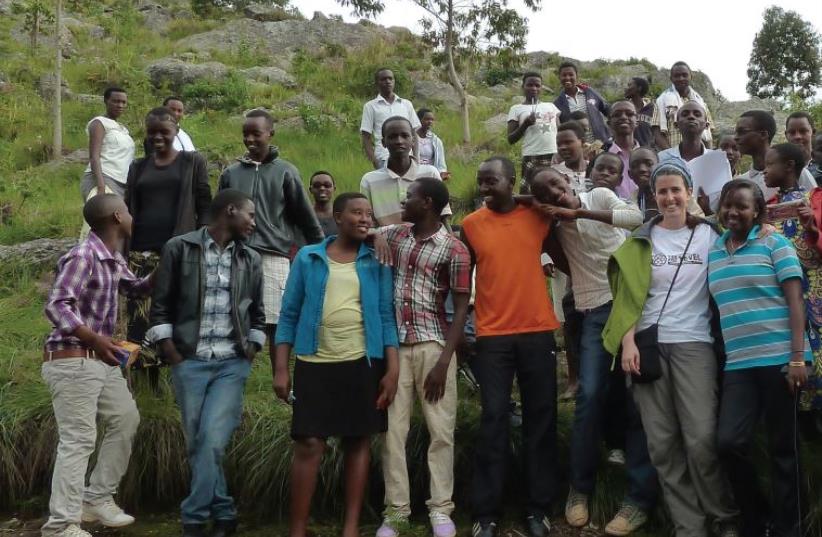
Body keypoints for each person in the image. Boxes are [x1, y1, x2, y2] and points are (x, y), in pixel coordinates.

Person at [605, 159, 739, 537]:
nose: (669, 198)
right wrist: (628, 342)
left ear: (689, 192)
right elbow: (627, 297)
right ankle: (689, 526)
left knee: (700, 440)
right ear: (653, 196)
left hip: (695, 344)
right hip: (647, 347)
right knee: (662, 445)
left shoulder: (711, 236)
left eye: (675, 190)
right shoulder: (640, 240)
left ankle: (723, 517)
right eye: (661, 191)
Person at [527, 169, 656, 536]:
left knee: (637, 398)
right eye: (546, 192)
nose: (556, 191)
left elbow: (635, 218)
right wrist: (544, 210)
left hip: (632, 304)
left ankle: (638, 499)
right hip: (594, 311)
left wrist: (578, 214)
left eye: (557, 183)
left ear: (569, 182)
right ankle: (579, 489)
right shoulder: (552, 227)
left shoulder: (597, 196)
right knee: (589, 396)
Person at [273, 192, 399, 537]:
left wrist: (392, 370)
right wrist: (281, 368)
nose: (364, 219)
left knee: (357, 441)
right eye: (357, 213)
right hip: (315, 362)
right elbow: (289, 314)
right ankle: (297, 529)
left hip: (363, 361)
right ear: (338, 217)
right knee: (309, 443)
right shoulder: (310, 258)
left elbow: (387, 317)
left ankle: (351, 528)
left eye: (369, 215)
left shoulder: (377, 258)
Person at [147, 189, 265, 537]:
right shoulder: (179, 248)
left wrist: (253, 346)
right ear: (230, 211)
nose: (254, 223)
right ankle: (225, 512)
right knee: (198, 442)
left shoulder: (251, 258)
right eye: (251, 215)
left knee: (211, 439)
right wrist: (170, 350)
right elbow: (161, 304)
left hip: (231, 363)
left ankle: (194, 518)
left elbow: (257, 311)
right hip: (189, 360)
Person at [42, 194, 151, 537]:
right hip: (73, 359)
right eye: (128, 210)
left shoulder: (112, 258)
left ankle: (96, 499)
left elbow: (136, 289)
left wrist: (170, 268)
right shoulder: (83, 255)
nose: (132, 215)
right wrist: (93, 338)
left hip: (100, 361)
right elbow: (58, 306)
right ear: (118, 217)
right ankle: (60, 525)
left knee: (125, 418)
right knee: (79, 438)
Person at [461, 157, 560, 537]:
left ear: (512, 180)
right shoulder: (471, 224)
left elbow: (560, 240)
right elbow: (462, 281)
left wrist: (528, 198)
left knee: (541, 418)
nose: (485, 187)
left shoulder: (537, 215)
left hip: (537, 330)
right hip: (492, 335)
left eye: (493, 181)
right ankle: (485, 513)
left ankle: (539, 508)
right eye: (481, 181)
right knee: (493, 419)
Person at [708, 179, 810, 537]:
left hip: (781, 357)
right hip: (738, 363)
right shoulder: (714, 251)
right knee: (729, 443)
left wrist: (798, 358)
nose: (733, 212)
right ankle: (758, 518)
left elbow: (796, 301)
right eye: (727, 205)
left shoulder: (774, 244)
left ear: (757, 212)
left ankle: (790, 526)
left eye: (742, 206)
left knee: (784, 448)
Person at [375, 178, 471, 537]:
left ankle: (441, 510)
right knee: (393, 432)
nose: (404, 199)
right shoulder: (397, 234)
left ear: (427, 203)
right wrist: (376, 235)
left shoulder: (454, 248)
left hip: (434, 346)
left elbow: (461, 308)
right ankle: (396, 512)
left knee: (440, 431)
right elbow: (363, 227)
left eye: (410, 196)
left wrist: (445, 360)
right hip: (396, 348)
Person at [218, 108, 324, 375]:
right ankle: (237, 369)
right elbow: (218, 215)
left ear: (271, 134)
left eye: (256, 134)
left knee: (277, 318)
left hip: (273, 254)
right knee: (236, 314)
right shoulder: (231, 173)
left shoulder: (285, 171)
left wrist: (322, 251)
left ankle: (280, 372)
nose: (250, 140)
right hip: (237, 253)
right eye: (245, 134)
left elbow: (304, 216)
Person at [124, 107, 211, 352]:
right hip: (140, 251)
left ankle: (175, 368)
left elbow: (205, 205)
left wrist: (201, 242)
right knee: (139, 315)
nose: (158, 137)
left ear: (176, 131)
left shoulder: (192, 161)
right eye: (152, 132)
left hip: (178, 250)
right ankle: (143, 373)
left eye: (164, 131)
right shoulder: (138, 167)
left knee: (175, 311)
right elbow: (128, 205)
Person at [763, 142, 822, 416]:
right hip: (780, 296)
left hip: (815, 292)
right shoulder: (768, 207)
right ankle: (799, 420)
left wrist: (813, 228)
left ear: (788, 166)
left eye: (769, 163)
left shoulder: (817, 199)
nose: (764, 169)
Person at [361, 116, 451, 226]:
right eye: (392, 137)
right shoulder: (369, 181)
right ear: (383, 142)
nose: (399, 141)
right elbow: (369, 224)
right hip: (387, 241)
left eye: (405, 136)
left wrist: (453, 242)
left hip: (429, 241)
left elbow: (443, 216)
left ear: (413, 140)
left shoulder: (430, 173)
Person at [733, 110, 816, 200]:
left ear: (763, 134)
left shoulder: (794, 172)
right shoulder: (740, 181)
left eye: (742, 132)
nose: (736, 137)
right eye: (736, 132)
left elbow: (816, 206)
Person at [507, 72, 561, 192]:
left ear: (541, 87)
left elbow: (560, 130)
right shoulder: (516, 109)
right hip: (532, 156)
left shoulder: (551, 106)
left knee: (555, 191)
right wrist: (525, 124)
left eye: (537, 85)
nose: (534, 88)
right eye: (529, 85)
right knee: (529, 192)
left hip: (555, 154)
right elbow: (511, 139)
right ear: (523, 87)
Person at [361, 68, 421, 169]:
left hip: (407, 158)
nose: (387, 81)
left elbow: (414, 132)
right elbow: (366, 137)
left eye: (390, 78)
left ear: (394, 81)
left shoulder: (406, 104)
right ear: (377, 83)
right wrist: (374, 161)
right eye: (383, 79)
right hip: (383, 158)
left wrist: (416, 157)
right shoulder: (370, 106)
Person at [82, 86, 135, 199]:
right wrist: (101, 187)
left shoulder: (123, 129)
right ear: (106, 101)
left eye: (123, 102)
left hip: (122, 182)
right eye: (116, 101)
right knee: (104, 215)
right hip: (103, 178)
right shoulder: (99, 123)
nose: (120, 105)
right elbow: (94, 157)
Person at [651, 62, 713, 149]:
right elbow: (657, 132)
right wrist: (671, 156)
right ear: (671, 78)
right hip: (673, 155)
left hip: (699, 157)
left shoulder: (701, 103)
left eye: (684, 75)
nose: (681, 78)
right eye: (677, 76)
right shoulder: (661, 101)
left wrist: (708, 156)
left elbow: (708, 133)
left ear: (691, 76)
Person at [553, 62, 610, 143]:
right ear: (559, 77)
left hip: (600, 143)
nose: (567, 78)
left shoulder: (589, 92)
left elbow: (606, 109)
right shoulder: (557, 104)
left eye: (571, 74)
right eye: (564, 75)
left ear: (577, 76)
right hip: (577, 148)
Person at [605, 101, 640, 199]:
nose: (624, 117)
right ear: (609, 123)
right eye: (617, 115)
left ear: (637, 121)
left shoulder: (650, 157)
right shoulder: (602, 159)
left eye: (629, 114)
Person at [552, 121, 590, 194]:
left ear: (582, 141)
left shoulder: (596, 170)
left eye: (568, 142)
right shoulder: (554, 174)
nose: (562, 147)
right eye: (559, 144)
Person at [416, 108, 449, 179]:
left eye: (432, 120)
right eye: (427, 119)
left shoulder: (436, 141)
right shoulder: (410, 138)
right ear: (418, 120)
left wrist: (442, 173)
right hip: (414, 173)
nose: (430, 122)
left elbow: (441, 163)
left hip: (431, 174)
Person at [624, 77, 655, 148]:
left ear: (639, 88)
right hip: (627, 153)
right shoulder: (623, 109)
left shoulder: (653, 109)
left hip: (647, 153)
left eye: (629, 85)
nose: (626, 88)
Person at [629, 148, 660, 220]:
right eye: (635, 165)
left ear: (659, 167)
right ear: (629, 174)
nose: (642, 169)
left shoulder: (678, 196)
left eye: (649, 164)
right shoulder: (628, 204)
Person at [308, 171, 337, 237]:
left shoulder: (343, 215)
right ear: (310, 190)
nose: (322, 188)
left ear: (334, 189)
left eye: (327, 185)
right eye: (317, 186)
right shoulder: (304, 215)